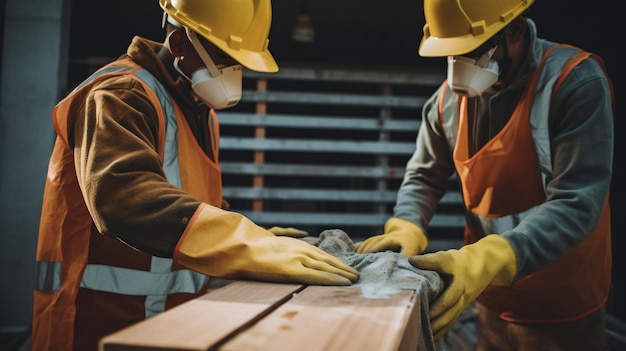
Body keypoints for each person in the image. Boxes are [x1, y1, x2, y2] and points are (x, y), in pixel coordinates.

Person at [31, 1, 359, 350]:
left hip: (175, 328)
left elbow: (192, 203)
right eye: (225, 58)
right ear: (180, 46)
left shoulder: (195, 110)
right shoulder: (120, 95)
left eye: (239, 62)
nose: (233, 71)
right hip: (95, 329)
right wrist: (245, 243)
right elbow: (122, 196)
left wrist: (262, 238)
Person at [356, 0, 613, 349]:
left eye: (472, 53)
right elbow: (424, 176)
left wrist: (485, 259)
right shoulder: (447, 101)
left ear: (516, 31)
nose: (458, 70)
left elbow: (578, 200)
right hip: (488, 294)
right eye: (452, 54)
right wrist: (407, 225)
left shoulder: (574, 84)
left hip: (562, 301)